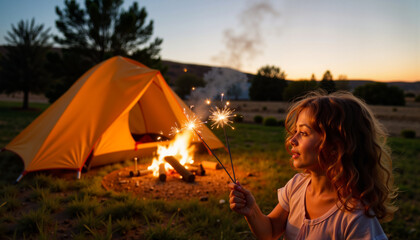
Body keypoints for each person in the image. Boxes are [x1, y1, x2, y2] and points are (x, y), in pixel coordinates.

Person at [229, 91, 398, 239]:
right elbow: (270, 231)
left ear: (335, 146)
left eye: (303, 133)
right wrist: (252, 211)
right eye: (295, 131)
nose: (291, 140)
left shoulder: (355, 217)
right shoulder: (296, 186)